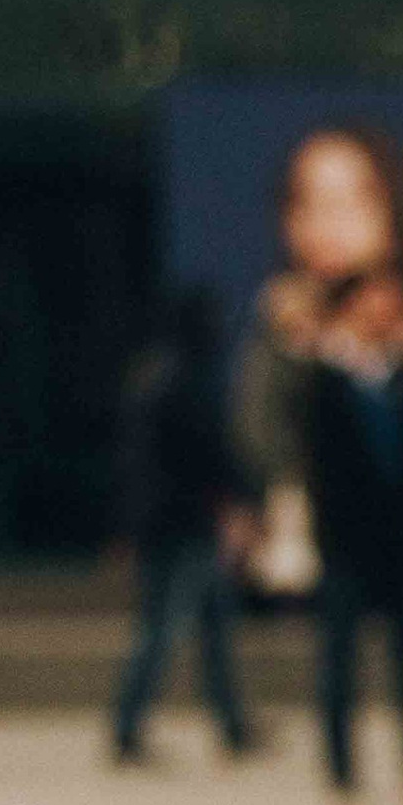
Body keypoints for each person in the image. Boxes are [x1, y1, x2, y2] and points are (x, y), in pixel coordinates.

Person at [234, 124, 403, 592]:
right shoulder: (284, 346)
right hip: (323, 557)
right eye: (308, 201)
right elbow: (261, 444)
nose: (328, 222)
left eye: (351, 200)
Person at [305, 270, 403, 798]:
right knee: (340, 661)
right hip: (347, 542)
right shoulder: (325, 376)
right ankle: (341, 767)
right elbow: (320, 466)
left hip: (401, 541)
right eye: (376, 302)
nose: (387, 312)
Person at [108, 293, 258, 769]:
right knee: (164, 629)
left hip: (170, 522)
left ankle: (232, 725)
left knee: (210, 626)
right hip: (182, 524)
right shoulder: (184, 380)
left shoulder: (152, 377)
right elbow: (209, 451)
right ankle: (128, 728)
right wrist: (244, 496)